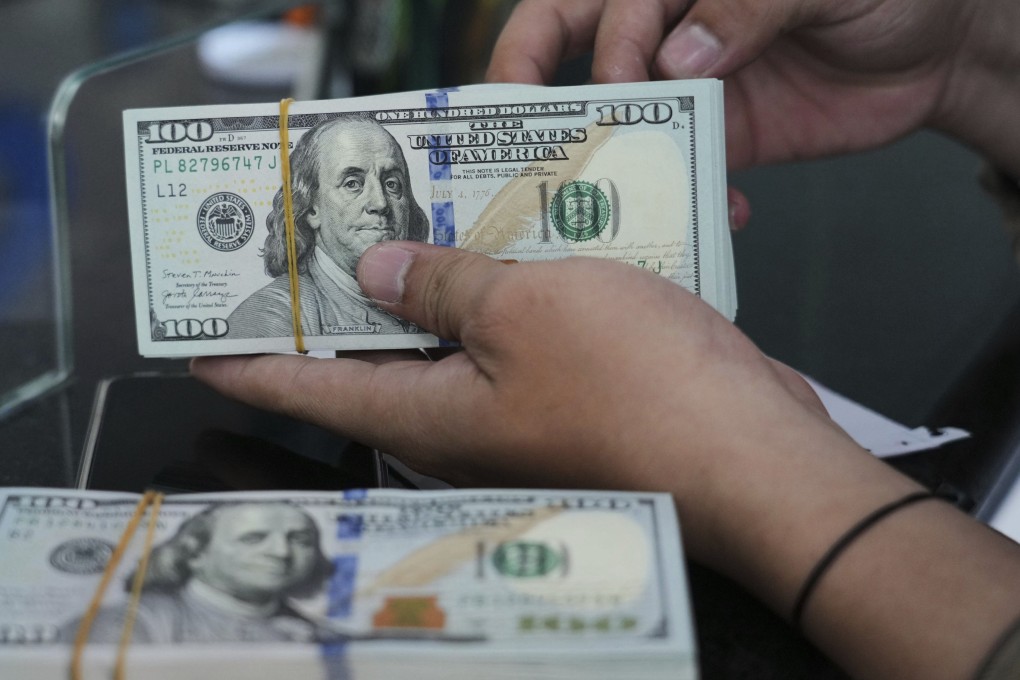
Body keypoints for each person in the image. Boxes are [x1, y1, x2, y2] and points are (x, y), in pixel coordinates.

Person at [192, 0, 1020, 677]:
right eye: (349, 180)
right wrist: (973, 51)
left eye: (390, 177)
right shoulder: (265, 316)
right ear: (304, 208)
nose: (379, 197)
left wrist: (738, 462)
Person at [226, 113, 430, 339]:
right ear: (312, 208)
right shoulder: (272, 317)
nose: (380, 203)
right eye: (352, 184)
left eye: (392, 184)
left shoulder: (429, 300)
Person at [69, 502, 337, 644]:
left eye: (300, 540)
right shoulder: (130, 624)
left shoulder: (320, 636)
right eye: (253, 539)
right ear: (196, 553)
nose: (281, 552)